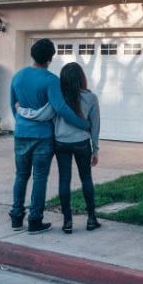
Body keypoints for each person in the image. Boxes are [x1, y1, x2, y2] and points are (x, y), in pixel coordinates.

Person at [9, 39, 90, 235]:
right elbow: (61, 108)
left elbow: (14, 106)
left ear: (32, 55)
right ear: (50, 58)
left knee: (21, 175)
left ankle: (17, 218)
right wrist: (84, 124)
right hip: (43, 137)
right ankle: (35, 220)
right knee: (39, 178)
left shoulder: (18, 77)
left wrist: (23, 125)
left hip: (21, 133)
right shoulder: (51, 80)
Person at [54, 62, 101, 233]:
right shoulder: (90, 98)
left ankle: (67, 222)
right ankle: (91, 219)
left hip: (61, 143)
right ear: (82, 77)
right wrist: (95, 149)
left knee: (64, 180)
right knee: (86, 178)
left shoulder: (58, 97)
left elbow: (51, 118)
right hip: (81, 143)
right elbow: (95, 125)